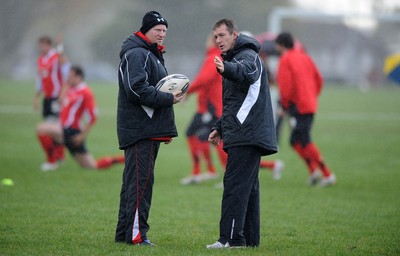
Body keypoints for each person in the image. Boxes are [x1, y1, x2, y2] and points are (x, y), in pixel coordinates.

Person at [115, 11, 185, 246]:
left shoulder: (150, 53)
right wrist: (169, 99)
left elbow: (153, 90)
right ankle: (136, 236)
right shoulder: (138, 53)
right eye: (158, 30)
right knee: (140, 185)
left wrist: (162, 128)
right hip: (139, 130)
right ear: (146, 30)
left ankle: (125, 235)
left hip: (148, 129)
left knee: (134, 184)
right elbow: (136, 90)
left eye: (165, 30)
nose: (162, 34)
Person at [206, 18, 277, 249]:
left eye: (222, 35)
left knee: (235, 186)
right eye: (215, 36)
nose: (218, 40)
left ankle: (230, 239)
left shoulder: (247, 57)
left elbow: (245, 72)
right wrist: (219, 127)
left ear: (234, 35)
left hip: (247, 134)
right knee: (249, 188)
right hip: (245, 131)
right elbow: (235, 103)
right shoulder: (236, 57)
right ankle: (249, 241)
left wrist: (227, 68)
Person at [275, 32, 336, 187]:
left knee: (304, 140)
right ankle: (313, 171)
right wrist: (311, 95)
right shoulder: (305, 57)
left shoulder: (285, 59)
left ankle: (327, 174)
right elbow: (319, 79)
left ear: (281, 45)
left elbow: (286, 85)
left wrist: (284, 105)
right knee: (295, 141)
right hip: (309, 104)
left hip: (297, 106)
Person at [36, 66, 124, 170]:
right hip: (64, 129)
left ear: (79, 77)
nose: (68, 79)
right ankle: (55, 158)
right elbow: (60, 101)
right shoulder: (70, 88)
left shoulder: (85, 92)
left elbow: (93, 116)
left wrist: (82, 135)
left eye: (71, 76)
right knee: (91, 166)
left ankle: (123, 159)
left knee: (92, 166)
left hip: (72, 131)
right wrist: (66, 86)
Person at [35, 36, 67, 169]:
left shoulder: (55, 56)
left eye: (43, 45)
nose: (41, 48)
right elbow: (41, 79)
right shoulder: (41, 59)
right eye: (40, 45)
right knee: (52, 127)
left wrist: (60, 45)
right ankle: (59, 156)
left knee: (52, 128)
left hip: (56, 97)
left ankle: (53, 159)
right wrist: (36, 96)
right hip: (47, 98)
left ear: (49, 45)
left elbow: (64, 62)